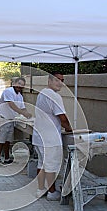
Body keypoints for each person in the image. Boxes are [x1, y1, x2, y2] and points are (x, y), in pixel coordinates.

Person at [32, 72, 72, 200]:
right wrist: (71, 129)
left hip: (39, 136)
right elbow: (62, 117)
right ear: (49, 81)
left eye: (62, 80)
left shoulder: (41, 93)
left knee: (41, 164)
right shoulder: (54, 96)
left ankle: (40, 189)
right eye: (57, 80)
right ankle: (52, 192)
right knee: (50, 166)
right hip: (49, 138)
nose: (60, 82)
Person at [0, 77, 32, 165]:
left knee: (8, 140)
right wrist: (22, 112)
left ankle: (7, 158)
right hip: (3, 119)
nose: (20, 87)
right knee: (1, 140)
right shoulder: (8, 91)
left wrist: (28, 115)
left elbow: (23, 107)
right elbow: (11, 104)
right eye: (18, 85)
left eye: (22, 86)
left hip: (10, 120)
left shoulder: (20, 96)